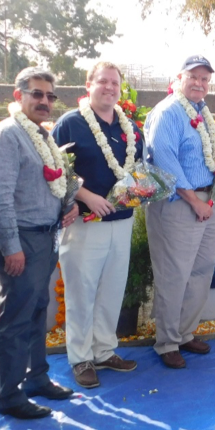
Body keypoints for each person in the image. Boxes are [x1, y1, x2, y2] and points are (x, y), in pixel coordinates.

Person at [0, 67, 79, 420]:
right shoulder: (8, 135)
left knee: (38, 310)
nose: (44, 101)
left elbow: (51, 184)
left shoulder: (43, 136)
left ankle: (36, 377)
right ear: (17, 95)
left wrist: (68, 205)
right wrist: (11, 247)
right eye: (36, 93)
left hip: (45, 236)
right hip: (21, 239)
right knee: (15, 318)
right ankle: (8, 395)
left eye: (50, 96)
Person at [53, 62, 143, 388]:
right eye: (102, 81)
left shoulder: (130, 128)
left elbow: (139, 171)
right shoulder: (70, 124)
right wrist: (87, 196)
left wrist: (143, 189)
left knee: (111, 291)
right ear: (88, 85)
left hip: (121, 222)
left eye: (114, 83)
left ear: (120, 88)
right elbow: (54, 170)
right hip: (84, 224)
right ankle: (80, 358)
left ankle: (104, 351)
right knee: (81, 292)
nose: (109, 87)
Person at [144, 55, 215, 369]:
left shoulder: (203, 113)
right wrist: (195, 201)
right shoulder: (167, 113)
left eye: (205, 79)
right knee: (174, 275)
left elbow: (210, 153)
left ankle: (185, 332)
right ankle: (166, 342)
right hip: (180, 205)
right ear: (178, 78)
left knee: (201, 272)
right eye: (194, 77)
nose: (199, 83)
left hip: (207, 202)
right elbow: (165, 164)